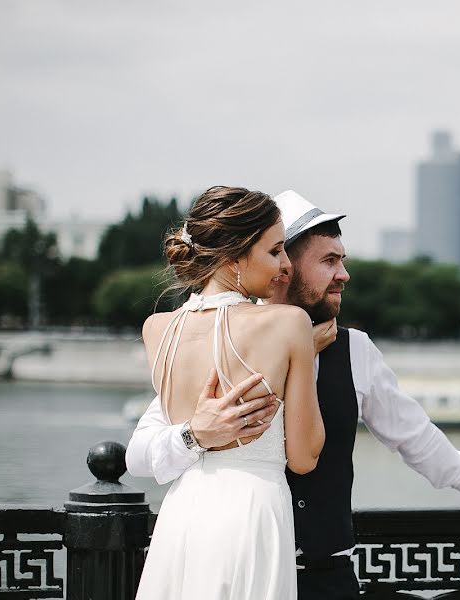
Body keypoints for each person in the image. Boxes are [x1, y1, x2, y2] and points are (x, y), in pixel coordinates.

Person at [127, 190, 460, 600]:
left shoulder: (356, 350)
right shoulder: (213, 341)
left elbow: (414, 435)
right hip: (235, 562)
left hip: (327, 578)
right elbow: (142, 453)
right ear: (283, 266)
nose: (343, 274)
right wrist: (196, 435)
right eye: (329, 261)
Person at [134, 186, 325, 600]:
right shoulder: (289, 324)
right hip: (251, 512)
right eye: (275, 251)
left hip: (183, 511)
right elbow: (305, 455)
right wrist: (306, 356)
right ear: (234, 256)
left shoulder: (157, 330)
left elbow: (145, 445)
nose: (286, 265)